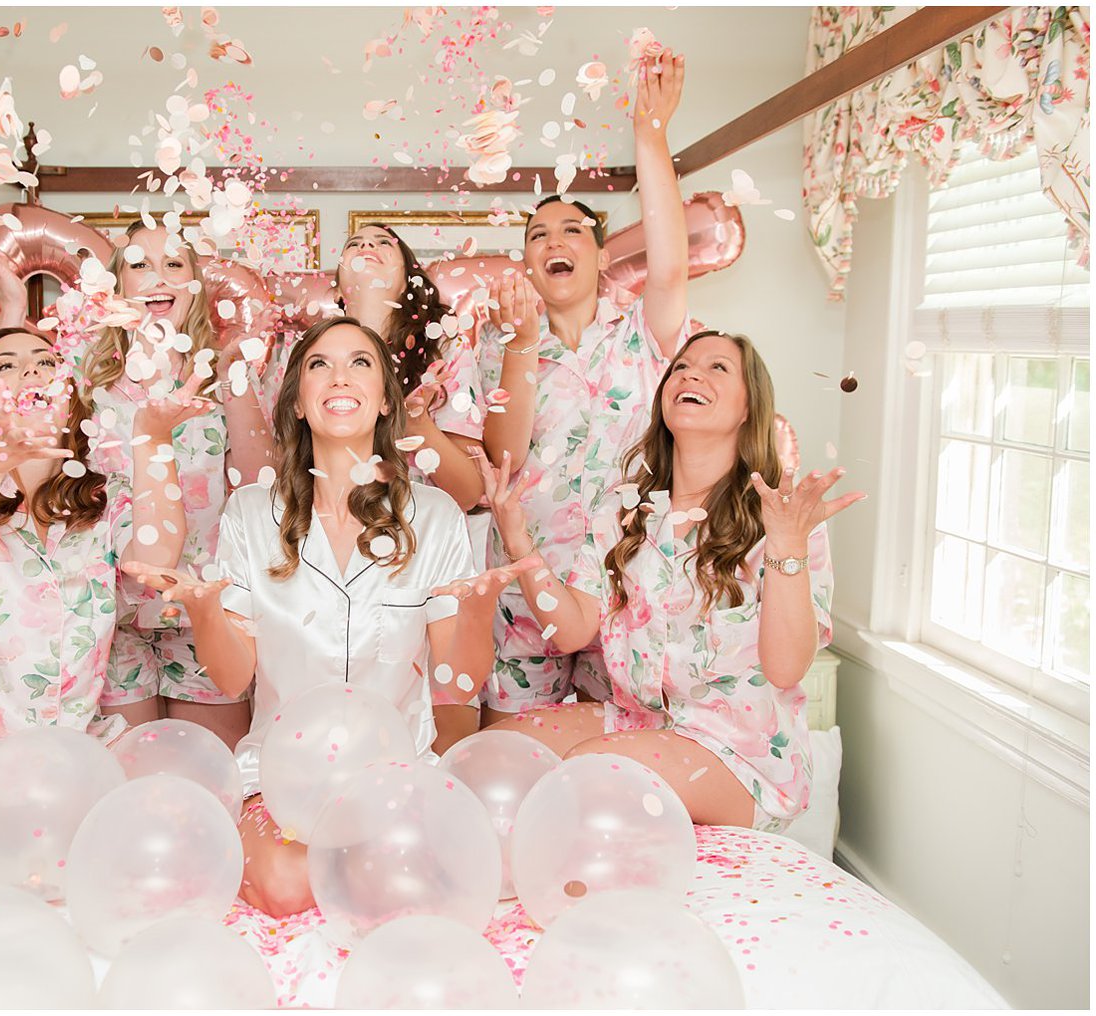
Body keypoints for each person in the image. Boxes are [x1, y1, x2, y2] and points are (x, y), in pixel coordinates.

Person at [126, 317, 536, 916]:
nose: (339, 375)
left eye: (360, 362)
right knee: (289, 887)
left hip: (397, 776)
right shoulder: (249, 513)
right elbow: (233, 679)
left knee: (423, 881)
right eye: (319, 363)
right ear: (295, 402)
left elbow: (458, 685)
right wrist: (207, 613)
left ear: (385, 402)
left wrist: (474, 616)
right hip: (279, 778)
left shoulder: (436, 514)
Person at [480, 330, 863, 831]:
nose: (691, 373)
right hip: (641, 723)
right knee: (498, 755)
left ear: (750, 408)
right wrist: (519, 543)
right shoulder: (624, 510)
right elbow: (573, 630)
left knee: (587, 771)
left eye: (718, 367)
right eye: (681, 366)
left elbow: (788, 668)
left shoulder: (783, 520)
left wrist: (787, 548)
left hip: (738, 755)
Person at [0, 324, 204, 848]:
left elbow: (156, 563)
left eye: (46, 361)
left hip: (66, 775)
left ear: (70, 400)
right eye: (5, 365)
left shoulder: (99, 500)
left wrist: (152, 439)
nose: (29, 371)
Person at [0, 222, 273, 749]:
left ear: (194, 285)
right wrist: (11, 305)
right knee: (122, 783)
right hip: (106, 616)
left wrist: (236, 382)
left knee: (211, 782)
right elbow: (9, 399)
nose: (159, 275)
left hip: (203, 612)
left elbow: (256, 488)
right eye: (139, 264)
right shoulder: (80, 379)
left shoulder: (225, 378)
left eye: (175, 264)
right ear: (116, 289)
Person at [476, 47, 692, 724]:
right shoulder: (498, 341)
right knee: (516, 744)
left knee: (622, 745)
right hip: (523, 569)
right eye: (537, 235)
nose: (554, 240)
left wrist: (650, 137)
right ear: (530, 264)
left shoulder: (642, 332)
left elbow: (672, 267)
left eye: (572, 229)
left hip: (629, 578)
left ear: (599, 254)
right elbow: (502, 459)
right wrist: (519, 345)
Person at [261, 224, 486, 512]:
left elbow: (467, 493)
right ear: (338, 290)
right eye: (354, 244)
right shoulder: (299, 351)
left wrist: (418, 424)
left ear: (407, 282)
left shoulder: (443, 349)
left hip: (420, 533)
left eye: (383, 243)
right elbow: (275, 468)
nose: (367, 247)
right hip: (323, 528)